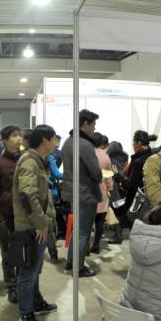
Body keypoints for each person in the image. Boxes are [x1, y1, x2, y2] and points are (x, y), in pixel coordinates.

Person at [12, 124, 58, 321]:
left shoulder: (37, 160)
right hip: (30, 227)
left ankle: (36, 303)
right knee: (28, 272)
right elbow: (27, 195)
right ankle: (26, 313)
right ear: (44, 141)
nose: (55, 143)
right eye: (53, 139)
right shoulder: (30, 161)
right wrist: (40, 224)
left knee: (34, 269)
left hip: (36, 225)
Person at [62, 109, 102, 277]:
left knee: (77, 230)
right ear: (85, 124)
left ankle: (71, 261)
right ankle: (78, 267)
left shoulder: (68, 142)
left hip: (73, 192)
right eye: (93, 125)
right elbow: (96, 173)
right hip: (85, 193)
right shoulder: (85, 144)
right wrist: (101, 175)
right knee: (83, 232)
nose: (94, 128)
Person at [0, 125, 23, 304]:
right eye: (14, 136)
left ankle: (22, 284)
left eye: (19, 135)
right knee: (8, 254)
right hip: (5, 215)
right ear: (5, 140)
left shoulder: (24, 159)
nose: (18, 139)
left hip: (23, 216)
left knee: (21, 253)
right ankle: (12, 286)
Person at [123, 131, 158, 219]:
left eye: (133, 143)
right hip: (151, 201)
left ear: (138, 143)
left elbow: (131, 186)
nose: (132, 145)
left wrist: (118, 177)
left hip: (137, 203)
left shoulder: (139, 161)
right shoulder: (153, 157)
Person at [90, 133, 113, 255]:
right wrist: (110, 188)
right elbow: (109, 177)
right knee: (100, 220)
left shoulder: (87, 154)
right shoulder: (105, 156)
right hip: (102, 191)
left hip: (88, 191)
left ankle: (84, 247)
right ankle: (96, 245)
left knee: (87, 220)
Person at [106, 141, 129, 243]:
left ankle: (118, 236)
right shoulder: (125, 157)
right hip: (122, 187)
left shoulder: (110, 159)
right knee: (119, 213)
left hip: (114, 188)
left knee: (115, 213)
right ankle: (118, 234)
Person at [45, 136, 63, 262]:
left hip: (35, 192)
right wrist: (72, 174)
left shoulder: (30, 156)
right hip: (50, 191)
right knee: (50, 222)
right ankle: (53, 253)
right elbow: (57, 174)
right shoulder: (49, 157)